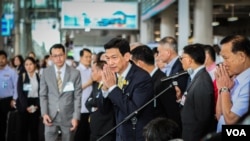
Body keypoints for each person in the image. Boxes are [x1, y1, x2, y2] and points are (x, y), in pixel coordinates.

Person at [100, 37, 154, 141]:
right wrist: (105, 89)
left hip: (136, 136)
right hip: (119, 135)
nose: (110, 62)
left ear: (127, 56)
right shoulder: (112, 75)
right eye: (107, 58)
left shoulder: (142, 78)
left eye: (114, 57)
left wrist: (112, 87)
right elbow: (104, 110)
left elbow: (133, 111)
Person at [130, 45, 182, 131]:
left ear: (139, 64)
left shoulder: (163, 81)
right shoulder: (146, 80)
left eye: (132, 64)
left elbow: (172, 113)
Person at [39, 44, 82, 141]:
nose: (58, 58)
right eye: (55, 56)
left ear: (65, 55)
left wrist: (76, 117)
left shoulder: (75, 73)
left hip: (68, 116)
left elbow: (77, 97)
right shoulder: (45, 73)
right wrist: (44, 113)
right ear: (51, 57)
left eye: (61, 55)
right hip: (50, 116)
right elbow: (43, 95)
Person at [176, 43, 216, 141]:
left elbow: (203, 118)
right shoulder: (196, 77)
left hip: (194, 136)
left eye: (182, 58)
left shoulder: (202, 81)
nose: (181, 61)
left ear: (190, 60)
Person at [215, 35, 250, 133]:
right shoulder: (234, 79)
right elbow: (219, 115)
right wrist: (221, 88)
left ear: (242, 57)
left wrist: (225, 89)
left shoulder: (248, 84)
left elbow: (231, 122)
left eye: (226, 58)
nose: (223, 64)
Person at [85, 60, 115, 141]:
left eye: (93, 71)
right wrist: (94, 108)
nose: (91, 74)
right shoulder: (96, 85)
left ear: (101, 71)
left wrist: (94, 101)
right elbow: (87, 103)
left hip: (106, 131)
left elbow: (101, 104)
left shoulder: (110, 85)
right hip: (94, 130)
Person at [16, 57, 41, 141]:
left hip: (35, 104)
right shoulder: (22, 76)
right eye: (26, 64)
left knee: (34, 130)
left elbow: (40, 92)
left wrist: (37, 106)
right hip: (24, 105)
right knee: (23, 130)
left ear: (34, 65)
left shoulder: (38, 76)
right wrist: (26, 106)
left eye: (30, 64)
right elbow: (20, 93)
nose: (28, 66)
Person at [74, 48, 93, 141]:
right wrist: (89, 82)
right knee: (80, 134)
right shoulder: (76, 71)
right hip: (81, 108)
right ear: (80, 58)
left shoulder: (92, 70)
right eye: (86, 57)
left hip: (92, 107)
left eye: (90, 57)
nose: (89, 59)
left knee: (89, 134)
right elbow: (74, 89)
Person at [0, 50, 18, 141]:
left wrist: (14, 99)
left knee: (7, 124)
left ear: (6, 59)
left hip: (7, 101)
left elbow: (16, 86)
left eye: (2, 58)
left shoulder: (12, 72)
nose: (0, 60)